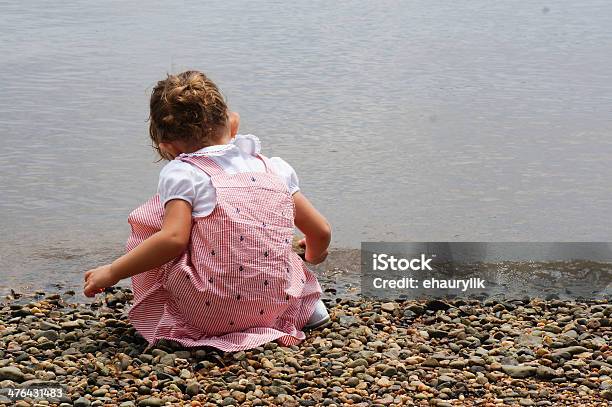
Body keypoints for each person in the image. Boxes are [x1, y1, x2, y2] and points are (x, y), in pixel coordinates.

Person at [83, 70, 331, 351]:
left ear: (166, 146)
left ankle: (177, 319)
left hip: (208, 313)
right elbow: (320, 231)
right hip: (273, 306)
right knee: (281, 252)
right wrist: (314, 253)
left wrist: (114, 271)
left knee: (157, 220)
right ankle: (305, 308)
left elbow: (173, 240)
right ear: (233, 124)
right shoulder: (274, 168)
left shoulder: (183, 173)